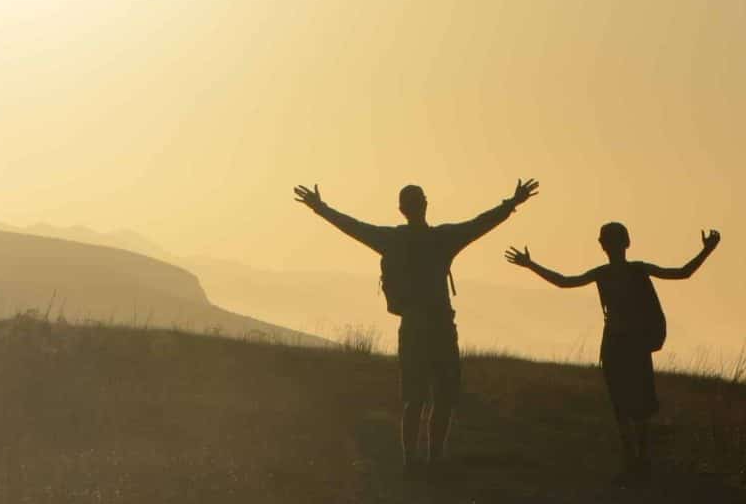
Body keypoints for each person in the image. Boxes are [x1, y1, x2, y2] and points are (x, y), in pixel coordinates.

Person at [294, 177, 540, 475]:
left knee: (414, 398)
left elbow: (353, 227)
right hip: (440, 326)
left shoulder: (392, 240)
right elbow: (480, 224)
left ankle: (411, 461)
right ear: (424, 204)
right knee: (443, 396)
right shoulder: (443, 239)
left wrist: (321, 208)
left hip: (411, 326)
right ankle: (434, 459)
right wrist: (512, 203)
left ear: (401, 209)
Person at [506, 223, 720, 479]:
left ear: (604, 245)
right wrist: (707, 251)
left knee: (623, 405)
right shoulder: (637, 270)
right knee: (639, 404)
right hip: (632, 345)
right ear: (626, 243)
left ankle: (633, 461)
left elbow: (564, 282)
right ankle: (639, 460)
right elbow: (683, 273)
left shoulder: (605, 273)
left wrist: (531, 265)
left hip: (617, 345)